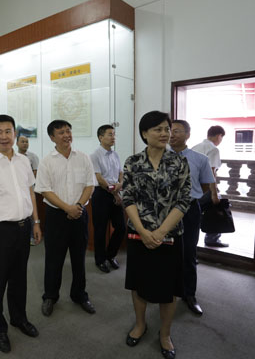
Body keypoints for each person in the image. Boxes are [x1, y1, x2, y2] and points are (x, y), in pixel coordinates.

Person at [122, 111, 191, 359]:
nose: (165, 133)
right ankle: (140, 324)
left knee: (168, 288)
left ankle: (165, 334)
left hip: (169, 236)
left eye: (167, 129)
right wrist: (143, 231)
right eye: (158, 129)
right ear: (144, 133)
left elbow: (184, 200)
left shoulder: (179, 163)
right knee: (138, 284)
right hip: (139, 235)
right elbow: (128, 197)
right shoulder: (133, 162)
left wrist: (161, 232)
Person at [0, 114, 42, 354]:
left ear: (15, 134)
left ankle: (18, 318)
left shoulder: (24, 161)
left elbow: (30, 193)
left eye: (8, 131)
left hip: (23, 228)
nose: (4, 136)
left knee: (19, 278)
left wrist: (36, 221)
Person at [35, 120, 96, 317]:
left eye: (68, 131)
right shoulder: (47, 161)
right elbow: (45, 190)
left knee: (79, 258)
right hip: (56, 216)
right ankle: (50, 296)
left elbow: (89, 185)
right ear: (52, 137)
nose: (66, 135)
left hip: (79, 214)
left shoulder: (83, 158)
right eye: (61, 132)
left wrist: (77, 206)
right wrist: (67, 208)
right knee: (54, 259)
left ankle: (80, 295)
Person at [169, 120, 216, 316]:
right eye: (169, 131)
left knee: (189, 252)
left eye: (177, 131)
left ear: (188, 134)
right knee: (166, 252)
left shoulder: (200, 159)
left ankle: (189, 294)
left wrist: (190, 196)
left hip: (189, 210)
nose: (171, 134)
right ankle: (167, 290)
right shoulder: (159, 157)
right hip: (165, 210)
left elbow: (205, 186)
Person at [90, 124, 126, 273]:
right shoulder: (94, 155)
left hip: (115, 191)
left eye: (114, 134)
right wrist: (115, 193)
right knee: (100, 229)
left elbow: (121, 173)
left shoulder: (115, 154)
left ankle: (110, 255)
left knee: (121, 227)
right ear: (101, 137)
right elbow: (99, 179)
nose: (113, 137)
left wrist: (120, 184)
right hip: (102, 194)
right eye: (110, 134)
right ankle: (100, 260)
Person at [192, 125, 227, 248]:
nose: (221, 140)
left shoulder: (195, 147)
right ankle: (212, 238)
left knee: (196, 211)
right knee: (218, 205)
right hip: (203, 188)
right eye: (221, 137)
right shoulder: (213, 149)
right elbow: (211, 173)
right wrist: (214, 194)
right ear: (219, 136)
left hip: (191, 188)